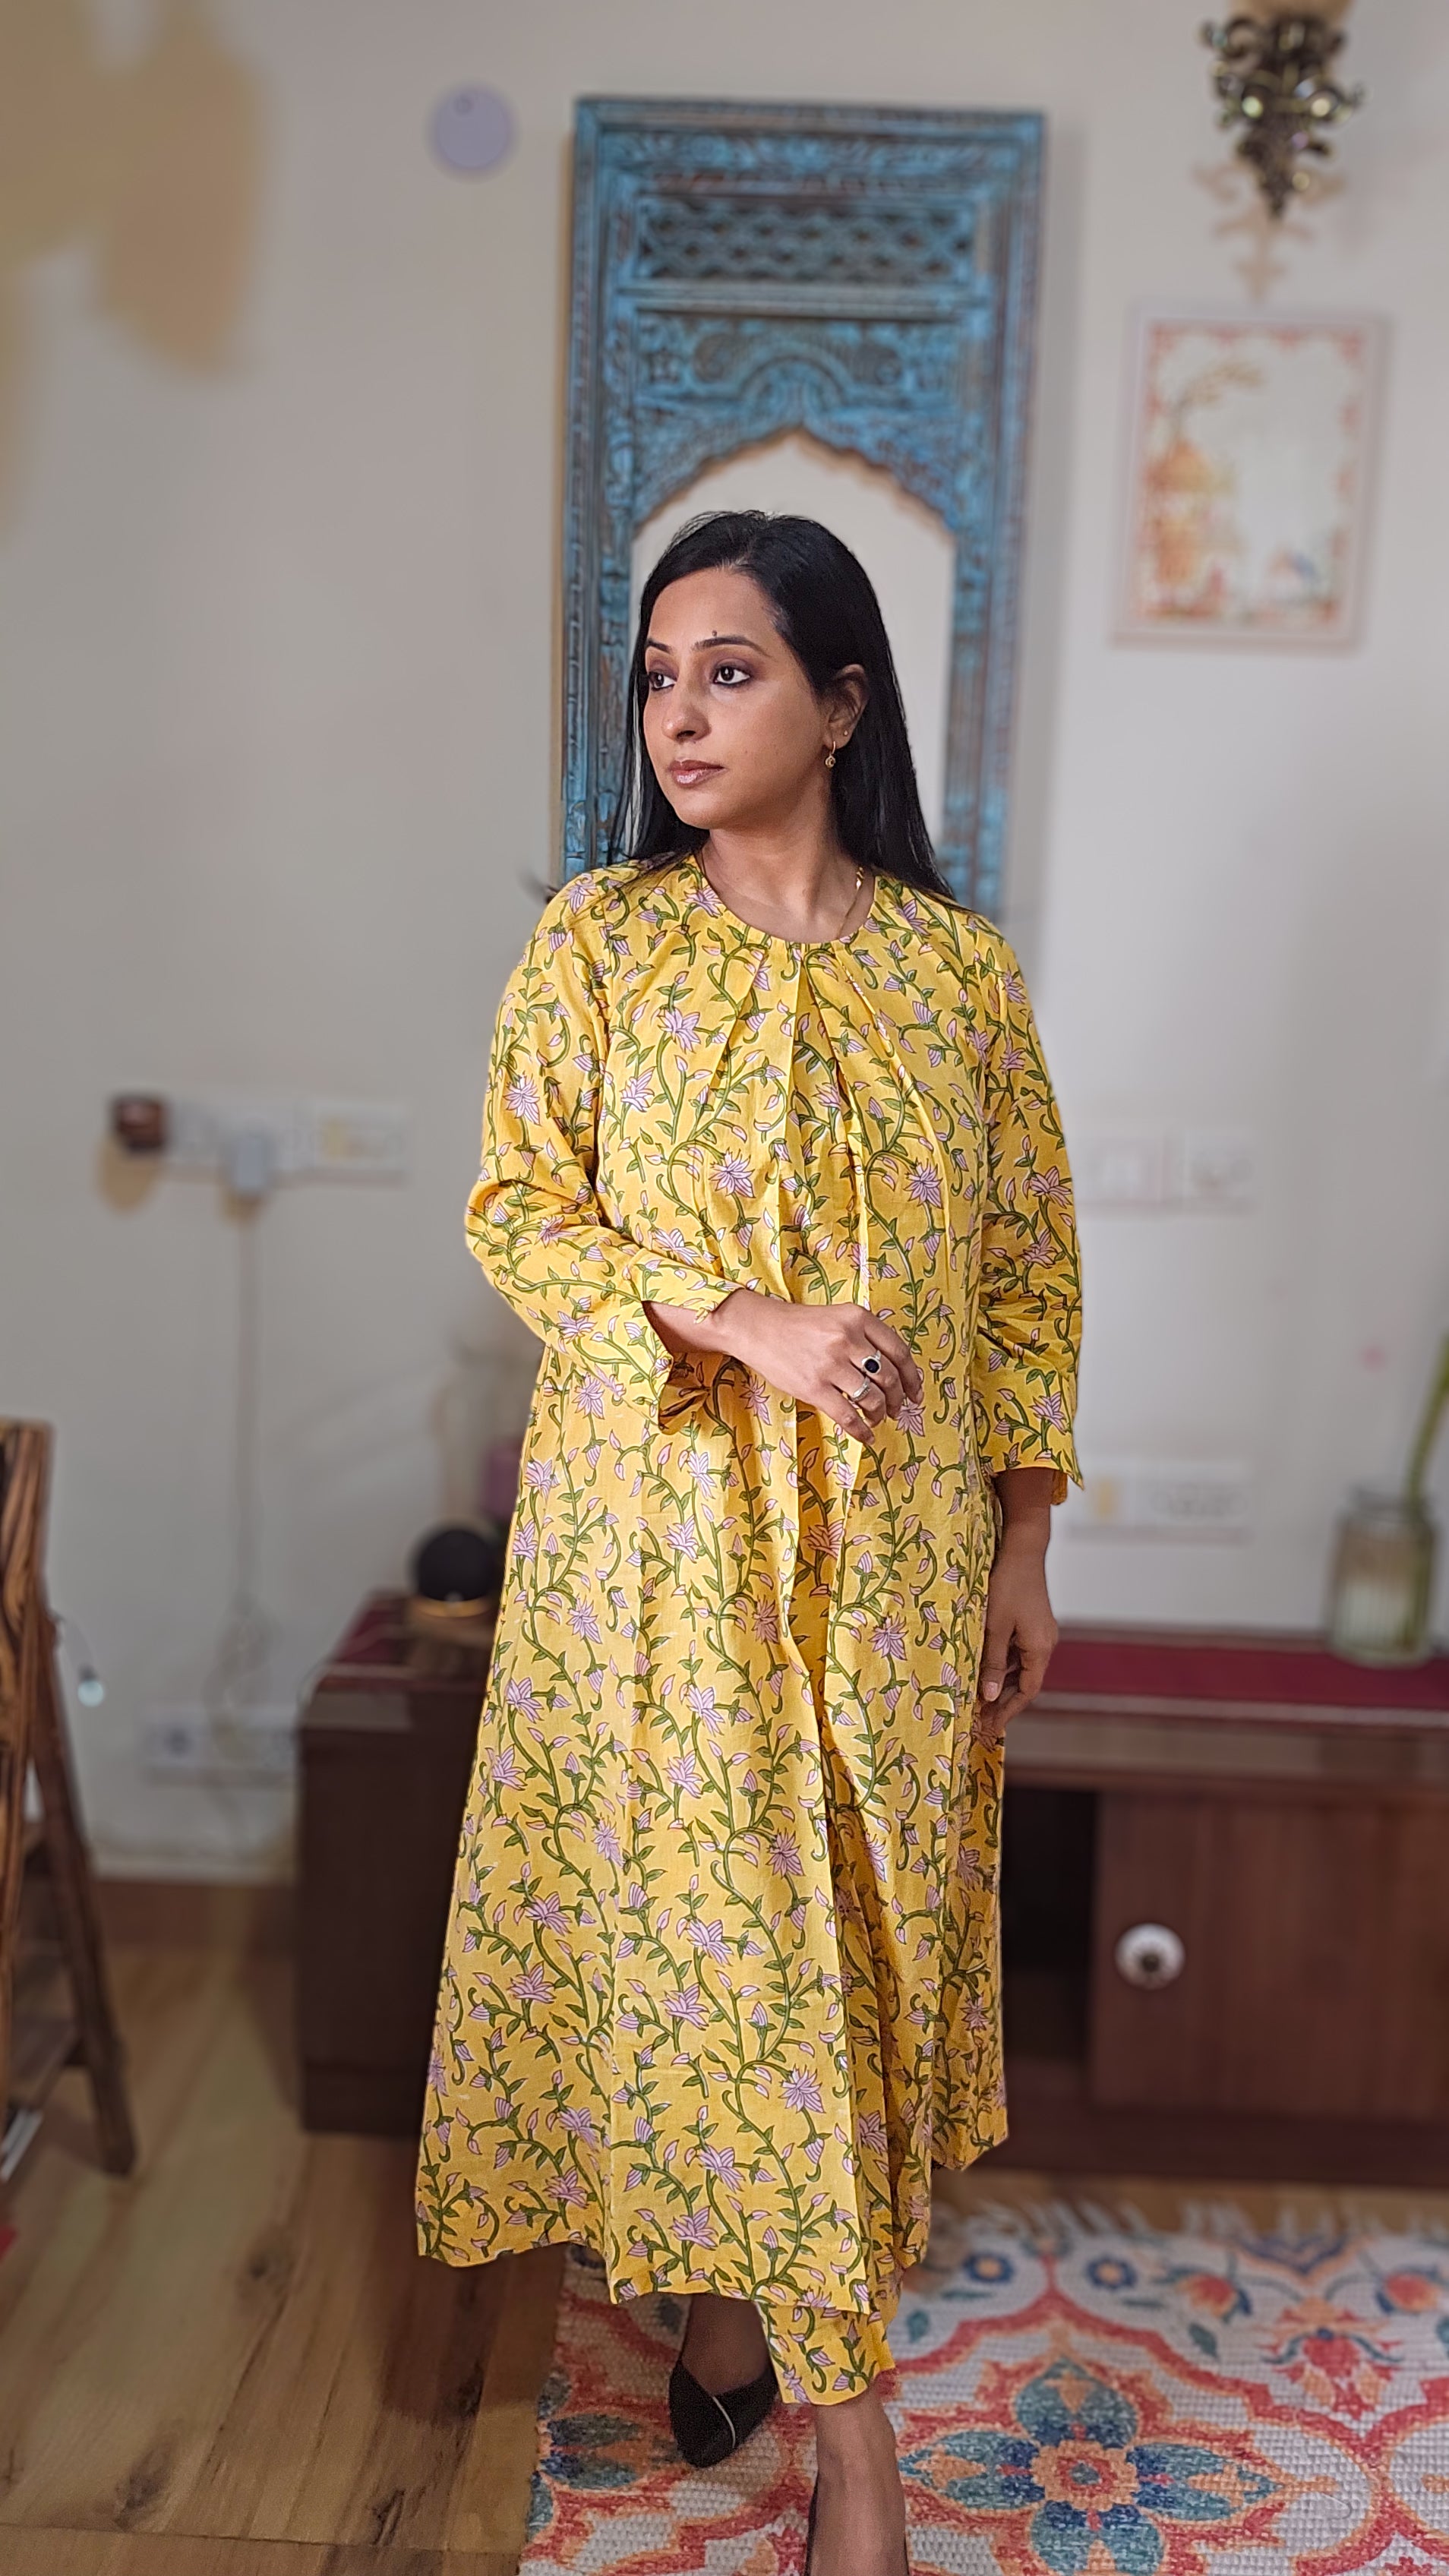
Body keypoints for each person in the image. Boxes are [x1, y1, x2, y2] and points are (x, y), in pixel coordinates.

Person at [415, 511, 1081, 2576]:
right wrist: (746, 1322)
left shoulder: (957, 978)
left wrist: (1020, 1547)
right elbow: (519, 1212)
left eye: (733, 670)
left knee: (848, 1976)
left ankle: (719, 2294)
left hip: (890, 1572)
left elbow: (1024, 1278)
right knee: (746, 1962)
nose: (683, 711)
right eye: (659, 676)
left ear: (842, 701)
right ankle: (854, 2472)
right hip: (662, 1561)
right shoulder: (600, 946)